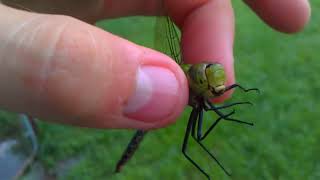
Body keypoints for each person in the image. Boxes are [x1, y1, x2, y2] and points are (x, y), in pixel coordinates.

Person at [0, 0, 310, 129]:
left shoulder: (208, 85)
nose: (219, 85)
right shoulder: (183, 79)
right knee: (194, 142)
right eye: (209, 79)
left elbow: (225, 91)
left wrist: (235, 93)